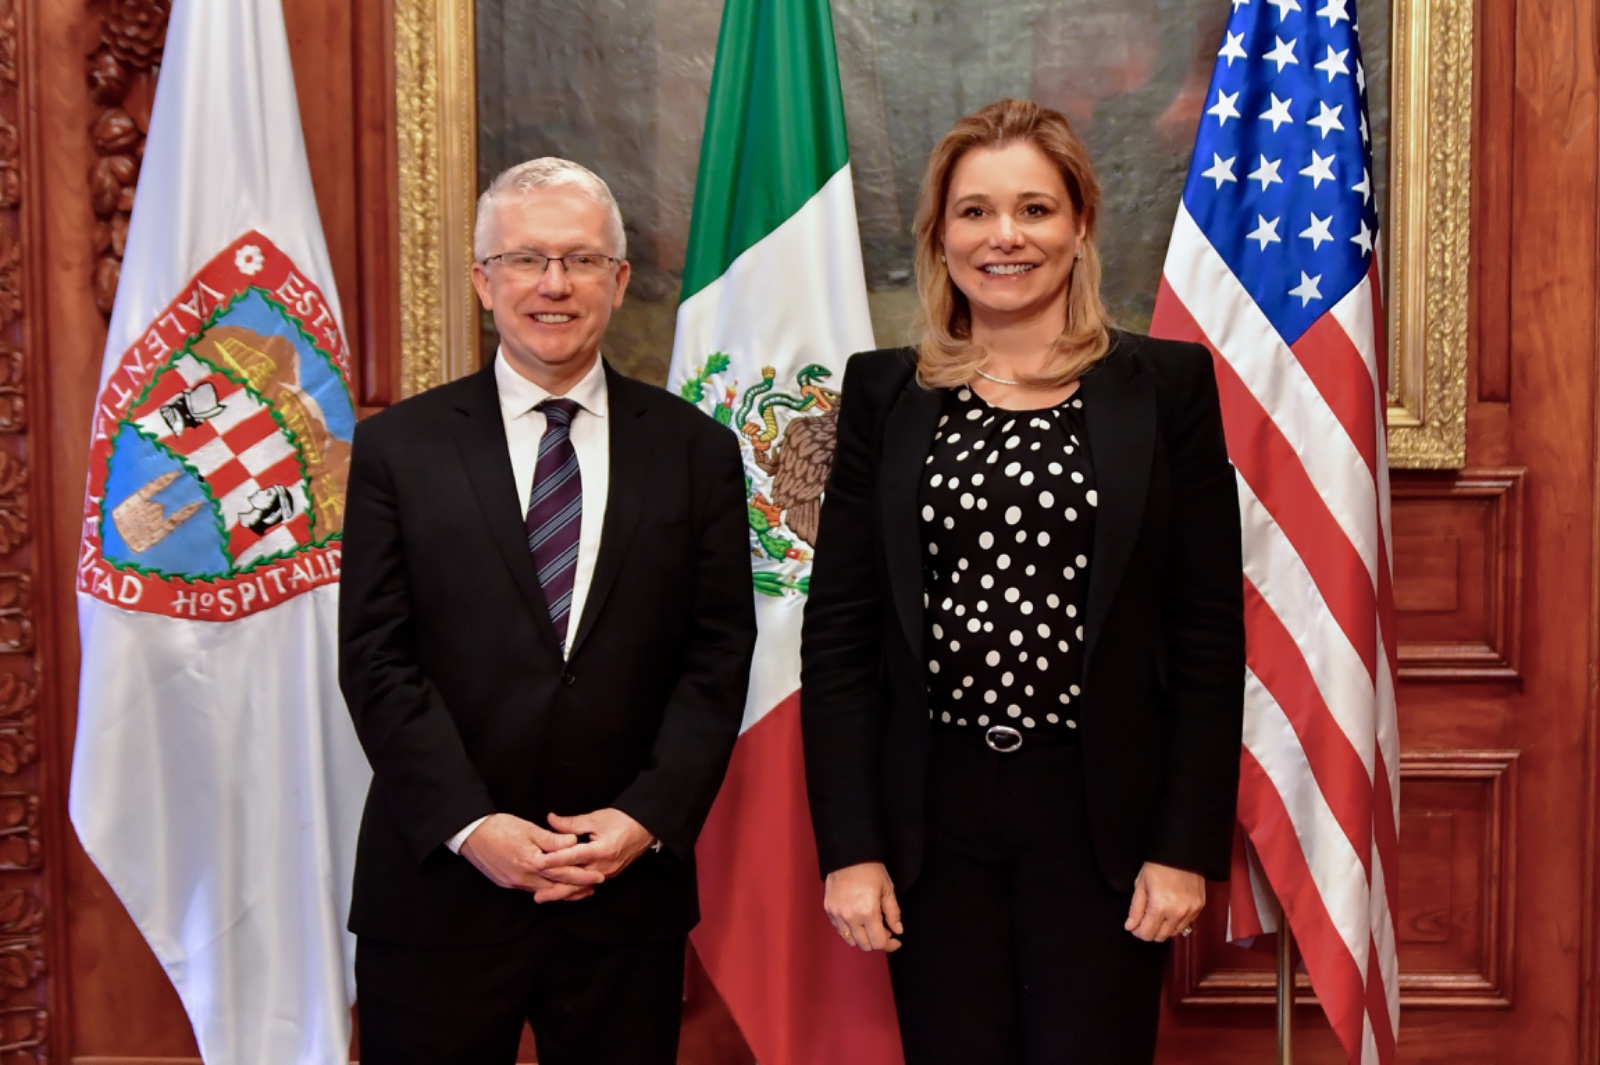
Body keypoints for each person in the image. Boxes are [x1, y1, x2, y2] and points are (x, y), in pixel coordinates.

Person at [800, 99, 1245, 1064]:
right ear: (940, 234)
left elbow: (1207, 635)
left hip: (1102, 821)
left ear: (1081, 225)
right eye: (974, 211)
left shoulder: (1165, 388)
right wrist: (851, 846)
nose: (1004, 236)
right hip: (929, 820)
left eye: (1035, 209)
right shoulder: (884, 391)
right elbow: (839, 636)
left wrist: (1183, 845)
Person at [338, 157, 756, 1065]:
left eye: (579, 260)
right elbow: (376, 659)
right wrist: (471, 825)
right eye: (526, 259)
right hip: (437, 888)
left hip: (621, 896)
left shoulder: (697, 451)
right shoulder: (396, 449)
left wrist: (644, 818)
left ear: (618, 281)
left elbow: (717, 659)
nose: (554, 285)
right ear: (484, 279)